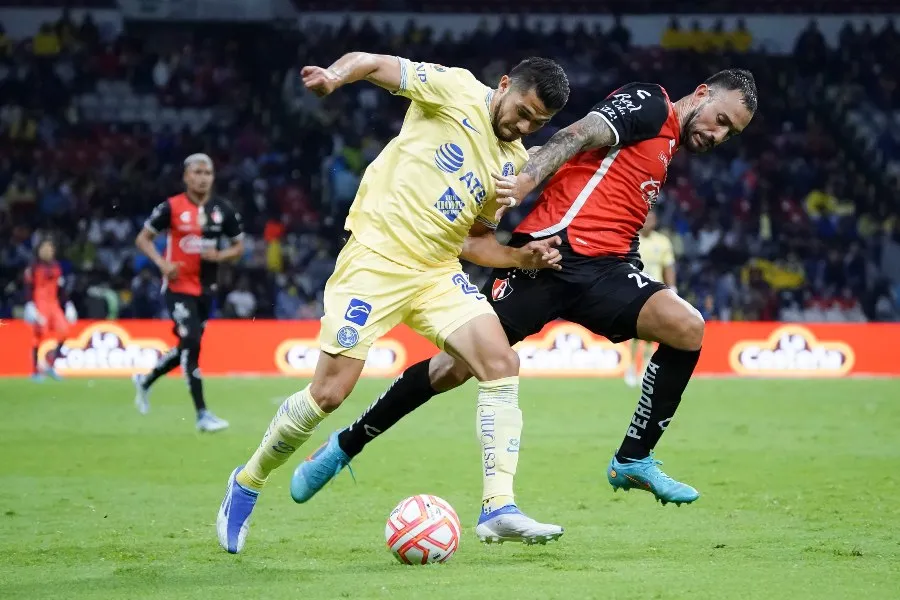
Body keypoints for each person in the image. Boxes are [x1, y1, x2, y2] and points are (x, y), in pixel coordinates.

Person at [295, 69, 757, 530]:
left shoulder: (668, 144)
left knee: (688, 327)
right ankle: (345, 445)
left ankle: (634, 458)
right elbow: (579, 133)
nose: (719, 134)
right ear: (700, 92)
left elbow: (611, 197)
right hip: (548, 258)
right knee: (452, 368)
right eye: (720, 119)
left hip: (606, 272)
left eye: (730, 133)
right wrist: (527, 176)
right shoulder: (651, 104)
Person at [216, 51, 570, 554]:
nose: (524, 125)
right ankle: (247, 482)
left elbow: (474, 241)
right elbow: (373, 63)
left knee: (500, 361)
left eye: (538, 122)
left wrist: (519, 256)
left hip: (436, 273)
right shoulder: (455, 89)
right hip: (375, 260)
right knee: (329, 394)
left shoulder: (511, 165)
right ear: (505, 84)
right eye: (522, 110)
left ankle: (498, 506)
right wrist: (335, 77)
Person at [133, 154, 244, 432]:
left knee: (186, 344)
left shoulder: (223, 210)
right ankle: (202, 414)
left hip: (207, 290)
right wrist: (161, 263)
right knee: (192, 341)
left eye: (208, 172)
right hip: (177, 287)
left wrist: (219, 255)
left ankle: (145, 381)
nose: (203, 177)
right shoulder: (171, 207)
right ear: (186, 176)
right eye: (197, 172)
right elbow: (142, 239)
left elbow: (239, 246)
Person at [624, 210, 676, 387]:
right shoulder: (630, 240)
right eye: (646, 219)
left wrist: (672, 288)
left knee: (650, 332)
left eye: (652, 219)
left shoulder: (662, 242)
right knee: (633, 331)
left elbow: (668, 266)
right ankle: (631, 366)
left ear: (656, 222)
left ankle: (644, 369)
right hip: (633, 291)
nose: (648, 222)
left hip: (655, 292)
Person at [24, 239, 77, 380]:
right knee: (38, 337)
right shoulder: (34, 267)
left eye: (50, 248)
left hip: (54, 304)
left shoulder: (56, 266)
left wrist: (68, 304)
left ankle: (51, 363)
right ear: (39, 250)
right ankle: (35, 371)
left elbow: (61, 288)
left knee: (65, 331)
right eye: (45, 248)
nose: (47, 251)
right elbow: (28, 287)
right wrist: (30, 304)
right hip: (39, 304)